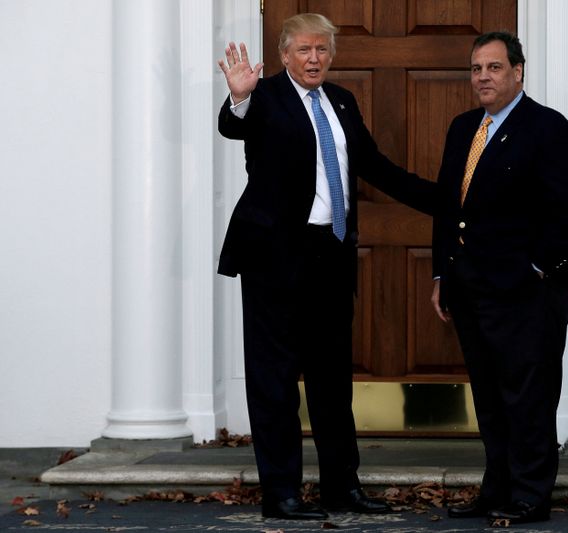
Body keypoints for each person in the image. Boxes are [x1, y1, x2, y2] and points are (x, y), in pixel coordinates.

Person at [216, 13, 435, 520]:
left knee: (332, 380)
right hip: (275, 257)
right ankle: (282, 493)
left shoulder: (342, 101)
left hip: (331, 256)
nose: (314, 59)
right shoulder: (264, 97)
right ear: (285, 55)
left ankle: (342, 487)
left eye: (322, 50)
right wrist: (241, 97)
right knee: (274, 381)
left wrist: (445, 201)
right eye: (304, 51)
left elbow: (375, 166)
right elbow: (234, 126)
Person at [431, 31, 568, 524]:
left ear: (518, 71)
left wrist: (538, 269)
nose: (483, 77)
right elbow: (447, 205)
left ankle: (530, 494)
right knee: (490, 395)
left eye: (494, 67)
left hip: (529, 290)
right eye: (477, 68)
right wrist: (442, 272)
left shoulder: (547, 128)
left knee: (529, 393)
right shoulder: (463, 129)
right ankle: (497, 488)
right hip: (471, 286)